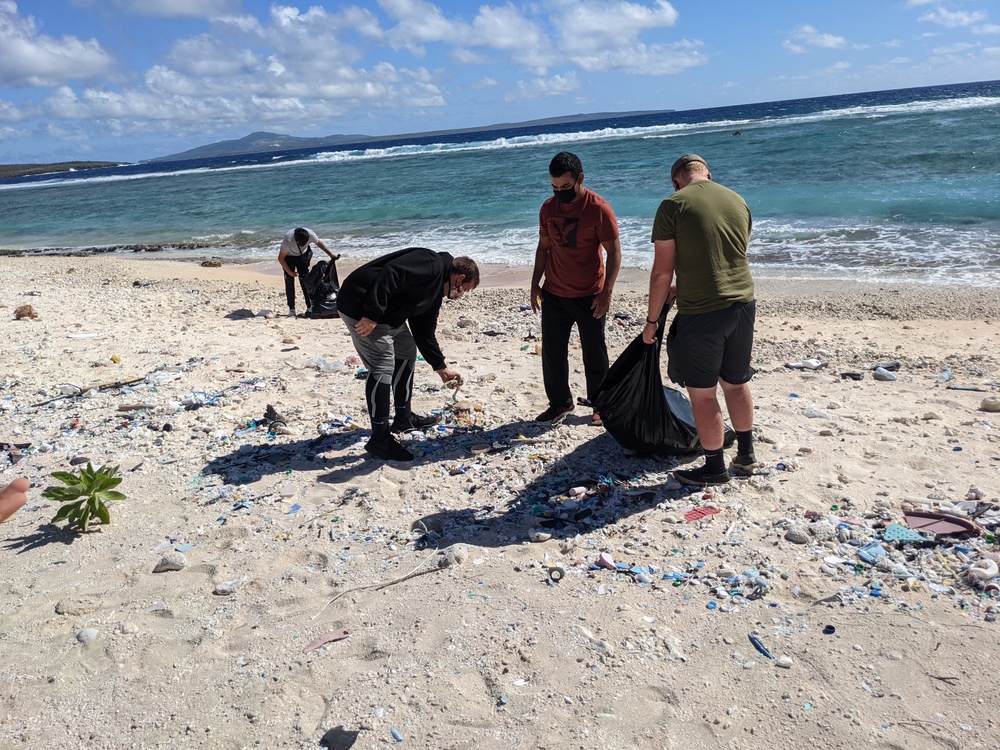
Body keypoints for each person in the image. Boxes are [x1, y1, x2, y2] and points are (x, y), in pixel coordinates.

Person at [643, 153, 758, 486]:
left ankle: (714, 468)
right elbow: (728, 255)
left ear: (676, 181)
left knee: (703, 394)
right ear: (708, 174)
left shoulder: (673, 205)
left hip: (702, 313)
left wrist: (652, 322)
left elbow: (662, 270)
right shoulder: (737, 200)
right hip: (743, 305)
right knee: (736, 383)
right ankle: (747, 455)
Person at [337, 248, 480, 461]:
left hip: (386, 314)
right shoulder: (431, 263)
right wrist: (371, 314)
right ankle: (380, 439)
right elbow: (391, 272)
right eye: (465, 289)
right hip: (360, 305)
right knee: (382, 365)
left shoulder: (435, 294)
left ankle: (403, 419)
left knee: (406, 348)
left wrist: (441, 367)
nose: (461, 295)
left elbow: (424, 332)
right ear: (460, 278)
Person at [530, 151, 621, 425]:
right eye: (555, 188)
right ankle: (560, 404)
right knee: (552, 353)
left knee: (594, 352)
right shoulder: (548, 208)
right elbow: (544, 248)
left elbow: (614, 253)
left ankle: (601, 406)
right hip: (555, 292)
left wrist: (607, 291)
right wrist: (535, 283)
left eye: (566, 188)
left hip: (590, 294)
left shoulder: (598, 209)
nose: (560, 193)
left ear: (580, 179)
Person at [278, 227, 336, 317]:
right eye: (300, 243)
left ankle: (309, 307)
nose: (302, 244)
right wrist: (289, 272)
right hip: (288, 257)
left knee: (305, 281)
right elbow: (280, 258)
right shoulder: (288, 240)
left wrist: (331, 254)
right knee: (289, 281)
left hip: (303, 255)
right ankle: (292, 309)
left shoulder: (311, 234)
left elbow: (319, 243)